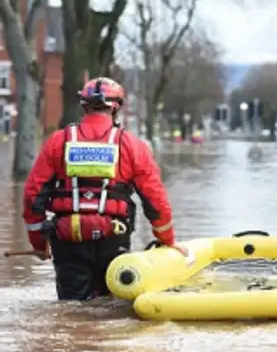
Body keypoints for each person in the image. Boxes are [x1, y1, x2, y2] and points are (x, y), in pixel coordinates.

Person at [22, 77, 180, 301]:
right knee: (111, 307)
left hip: (67, 238)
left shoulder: (58, 141)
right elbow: (156, 202)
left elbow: (32, 197)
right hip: (113, 237)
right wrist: (167, 241)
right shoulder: (132, 146)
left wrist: (39, 241)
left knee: (72, 309)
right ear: (116, 107)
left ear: (84, 105)